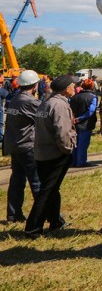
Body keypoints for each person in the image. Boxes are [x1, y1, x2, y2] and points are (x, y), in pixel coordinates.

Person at [26, 74, 77, 238]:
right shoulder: (59, 105)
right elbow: (62, 132)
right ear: (66, 88)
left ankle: (55, 222)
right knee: (47, 191)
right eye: (72, 85)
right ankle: (33, 228)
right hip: (55, 154)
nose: (74, 88)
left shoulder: (46, 102)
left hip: (42, 153)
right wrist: (68, 149)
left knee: (52, 189)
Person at [4, 70, 41, 223]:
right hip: (27, 146)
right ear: (35, 85)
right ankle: (42, 215)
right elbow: (45, 116)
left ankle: (13, 214)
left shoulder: (14, 99)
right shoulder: (30, 102)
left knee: (17, 181)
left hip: (15, 145)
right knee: (37, 181)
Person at [69, 78, 99, 167]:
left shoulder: (74, 97)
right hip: (86, 123)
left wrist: (74, 119)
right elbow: (91, 111)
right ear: (92, 86)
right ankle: (81, 162)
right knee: (83, 143)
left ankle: (73, 161)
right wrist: (80, 118)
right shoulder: (93, 97)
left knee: (75, 143)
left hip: (74, 123)